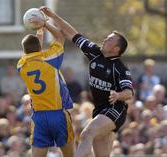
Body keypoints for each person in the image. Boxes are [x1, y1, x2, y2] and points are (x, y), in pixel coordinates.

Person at [40, 6, 134, 157]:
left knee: (86, 134)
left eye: (109, 39)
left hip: (115, 110)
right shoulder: (95, 53)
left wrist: (118, 95)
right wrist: (51, 15)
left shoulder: (120, 67)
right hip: (99, 110)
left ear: (116, 49)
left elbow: (129, 92)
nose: (105, 39)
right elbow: (72, 33)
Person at [17, 16, 75, 157]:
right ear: (40, 48)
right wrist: (45, 24)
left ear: (24, 51)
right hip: (58, 114)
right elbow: (60, 36)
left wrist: (39, 34)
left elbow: (33, 53)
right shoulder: (50, 59)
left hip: (39, 117)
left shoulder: (21, 65)